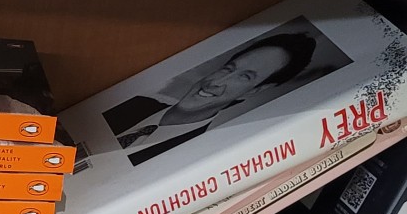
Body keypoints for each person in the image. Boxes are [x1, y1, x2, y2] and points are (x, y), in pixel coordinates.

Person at [103, 31, 319, 166]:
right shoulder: (134, 102)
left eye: (244, 77)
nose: (215, 82)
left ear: (254, 91)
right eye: (228, 68)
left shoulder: (191, 157)